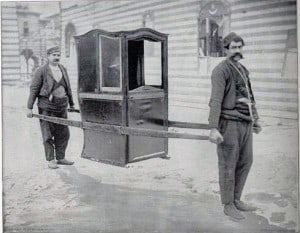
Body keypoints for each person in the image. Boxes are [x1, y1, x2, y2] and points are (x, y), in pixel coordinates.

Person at [208, 32, 262, 220]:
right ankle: (228, 204)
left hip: (245, 123)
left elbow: (250, 97)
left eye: (240, 47)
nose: (237, 50)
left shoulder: (242, 69)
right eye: (233, 47)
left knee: (246, 161)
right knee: (228, 164)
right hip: (228, 123)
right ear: (226, 49)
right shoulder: (220, 71)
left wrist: (255, 118)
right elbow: (215, 100)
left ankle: (237, 199)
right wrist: (213, 127)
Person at [27, 46, 75, 169]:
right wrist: (29, 107)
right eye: (54, 54)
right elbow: (34, 89)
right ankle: (51, 160)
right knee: (48, 134)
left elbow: (68, 87)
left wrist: (72, 103)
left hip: (61, 106)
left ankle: (60, 157)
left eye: (58, 54)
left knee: (64, 133)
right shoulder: (41, 71)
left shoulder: (62, 69)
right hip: (46, 107)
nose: (57, 57)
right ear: (48, 56)